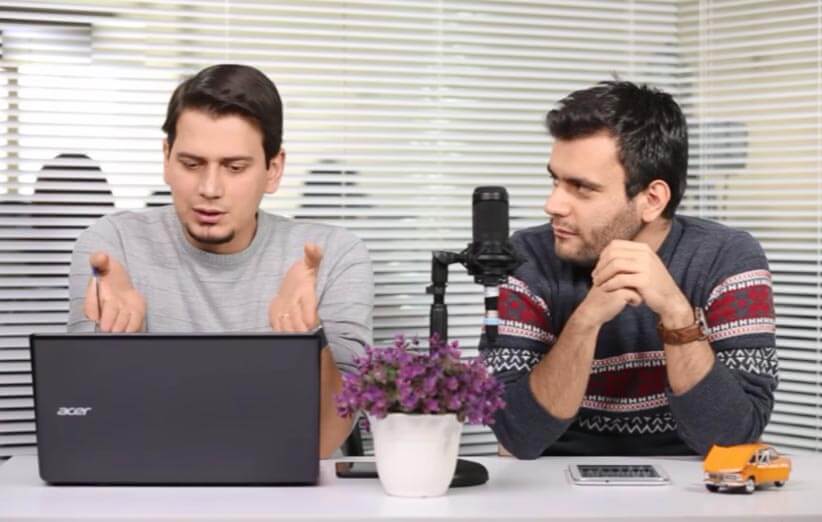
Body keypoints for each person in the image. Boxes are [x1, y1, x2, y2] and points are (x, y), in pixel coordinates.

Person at [67, 64, 374, 459]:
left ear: (273, 170)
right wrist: (120, 342)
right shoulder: (113, 247)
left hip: (284, 487)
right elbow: (91, 429)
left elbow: (327, 439)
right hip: (152, 482)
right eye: (192, 164)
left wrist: (308, 338)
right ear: (167, 158)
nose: (209, 189)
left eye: (234, 168)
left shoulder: (334, 255)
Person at [480, 81, 777, 458]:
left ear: (651, 200)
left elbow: (731, 438)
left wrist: (677, 314)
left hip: (691, 479)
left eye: (581, 188)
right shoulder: (526, 258)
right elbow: (518, 435)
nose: (552, 204)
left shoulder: (728, 258)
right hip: (554, 479)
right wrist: (586, 320)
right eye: (555, 180)